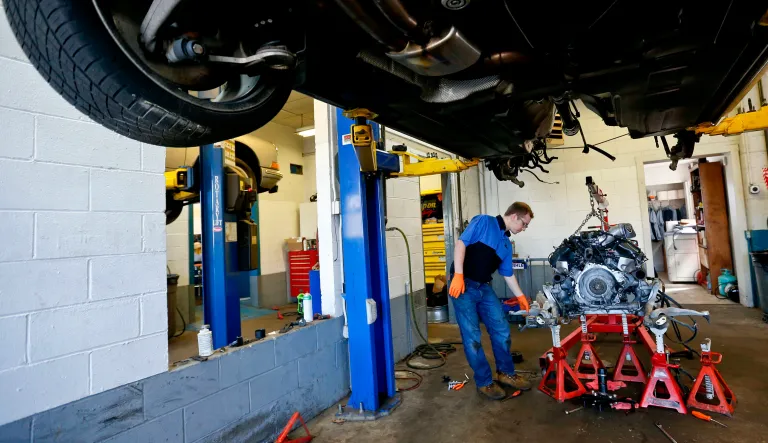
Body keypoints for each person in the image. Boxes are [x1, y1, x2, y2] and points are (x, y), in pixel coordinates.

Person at [449, 202, 534, 400]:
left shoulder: (505, 243)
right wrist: (458, 275)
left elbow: (508, 274)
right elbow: (462, 243)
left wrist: (520, 296)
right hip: (463, 286)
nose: (524, 228)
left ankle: (505, 373)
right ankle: (484, 382)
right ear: (514, 216)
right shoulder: (484, 222)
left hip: (483, 287)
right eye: (524, 224)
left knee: (502, 330)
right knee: (472, 338)